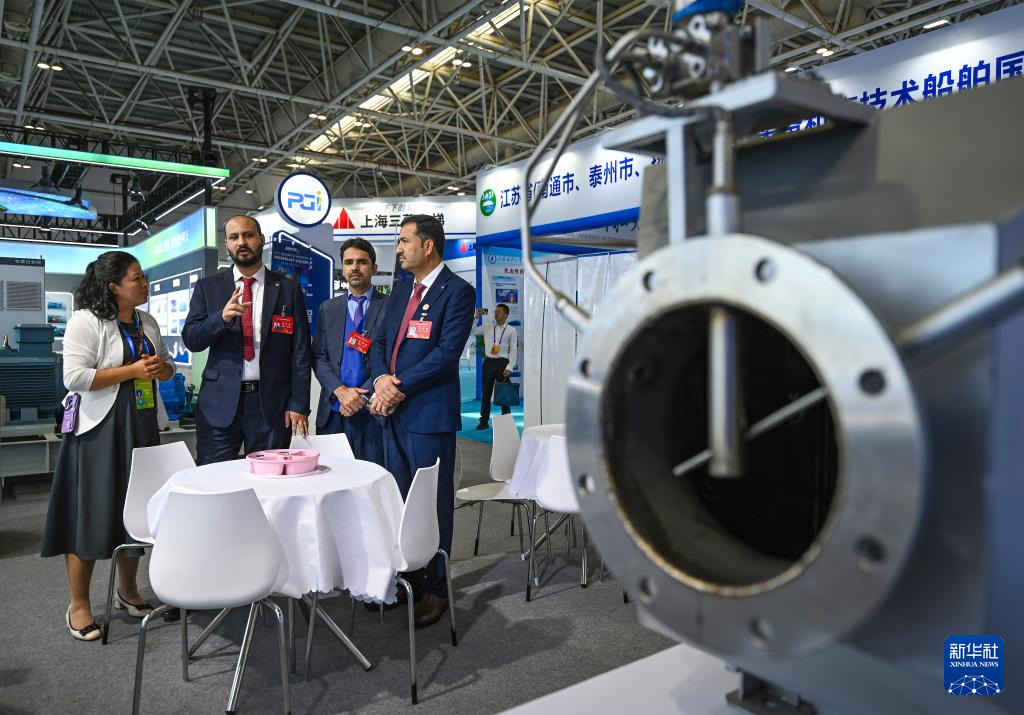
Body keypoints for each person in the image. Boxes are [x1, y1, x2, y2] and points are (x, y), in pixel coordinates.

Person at [41, 251, 177, 641]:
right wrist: (131, 370)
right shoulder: (86, 321)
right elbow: (74, 377)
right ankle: (79, 605)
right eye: (137, 277)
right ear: (114, 286)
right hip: (98, 431)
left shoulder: (147, 322)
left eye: (144, 276)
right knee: (89, 513)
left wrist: (161, 369)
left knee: (136, 511)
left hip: (142, 425)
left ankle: (128, 591)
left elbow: (166, 365)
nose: (145, 283)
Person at [369, 214, 475, 627]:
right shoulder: (400, 290)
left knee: (432, 504)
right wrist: (381, 380)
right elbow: (379, 342)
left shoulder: (458, 292)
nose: (398, 249)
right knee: (398, 501)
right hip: (392, 415)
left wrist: (397, 387)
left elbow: (446, 353)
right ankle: (408, 579)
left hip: (428, 415)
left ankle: (436, 588)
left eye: (403, 241)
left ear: (427, 245)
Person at [182, 215, 311, 465]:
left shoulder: (287, 288)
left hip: (271, 406)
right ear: (227, 244)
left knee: (270, 479)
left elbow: (300, 352)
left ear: (261, 239)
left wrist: (298, 403)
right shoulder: (208, 287)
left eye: (248, 235)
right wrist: (221, 318)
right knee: (215, 478)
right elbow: (192, 339)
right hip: (218, 404)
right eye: (234, 237)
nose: (241, 242)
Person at [312, 238, 389, 464]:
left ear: (374, 268)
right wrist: (340, 391)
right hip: (333, 411)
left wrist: (361, 396)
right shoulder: (328, 308)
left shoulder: (391, 306)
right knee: (330, 475)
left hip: (373, 410)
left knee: (372, 475)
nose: (354, 267)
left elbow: (392, 358)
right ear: (343, 268)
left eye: (362, 262)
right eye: (349, 262)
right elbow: (319, 356)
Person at [473, 303, 518, 429]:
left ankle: (506, 421)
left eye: (499, 311)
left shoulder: (511, 330)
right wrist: (475, 317)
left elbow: (513, 350)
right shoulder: (488, 327)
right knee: (486, 394)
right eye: (495, 311)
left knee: (504, 393)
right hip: (488, 362)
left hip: (502, 363)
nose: (496, 313)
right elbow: (471, 331)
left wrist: (510, 367)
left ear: (506, 314)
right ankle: (483, 421)